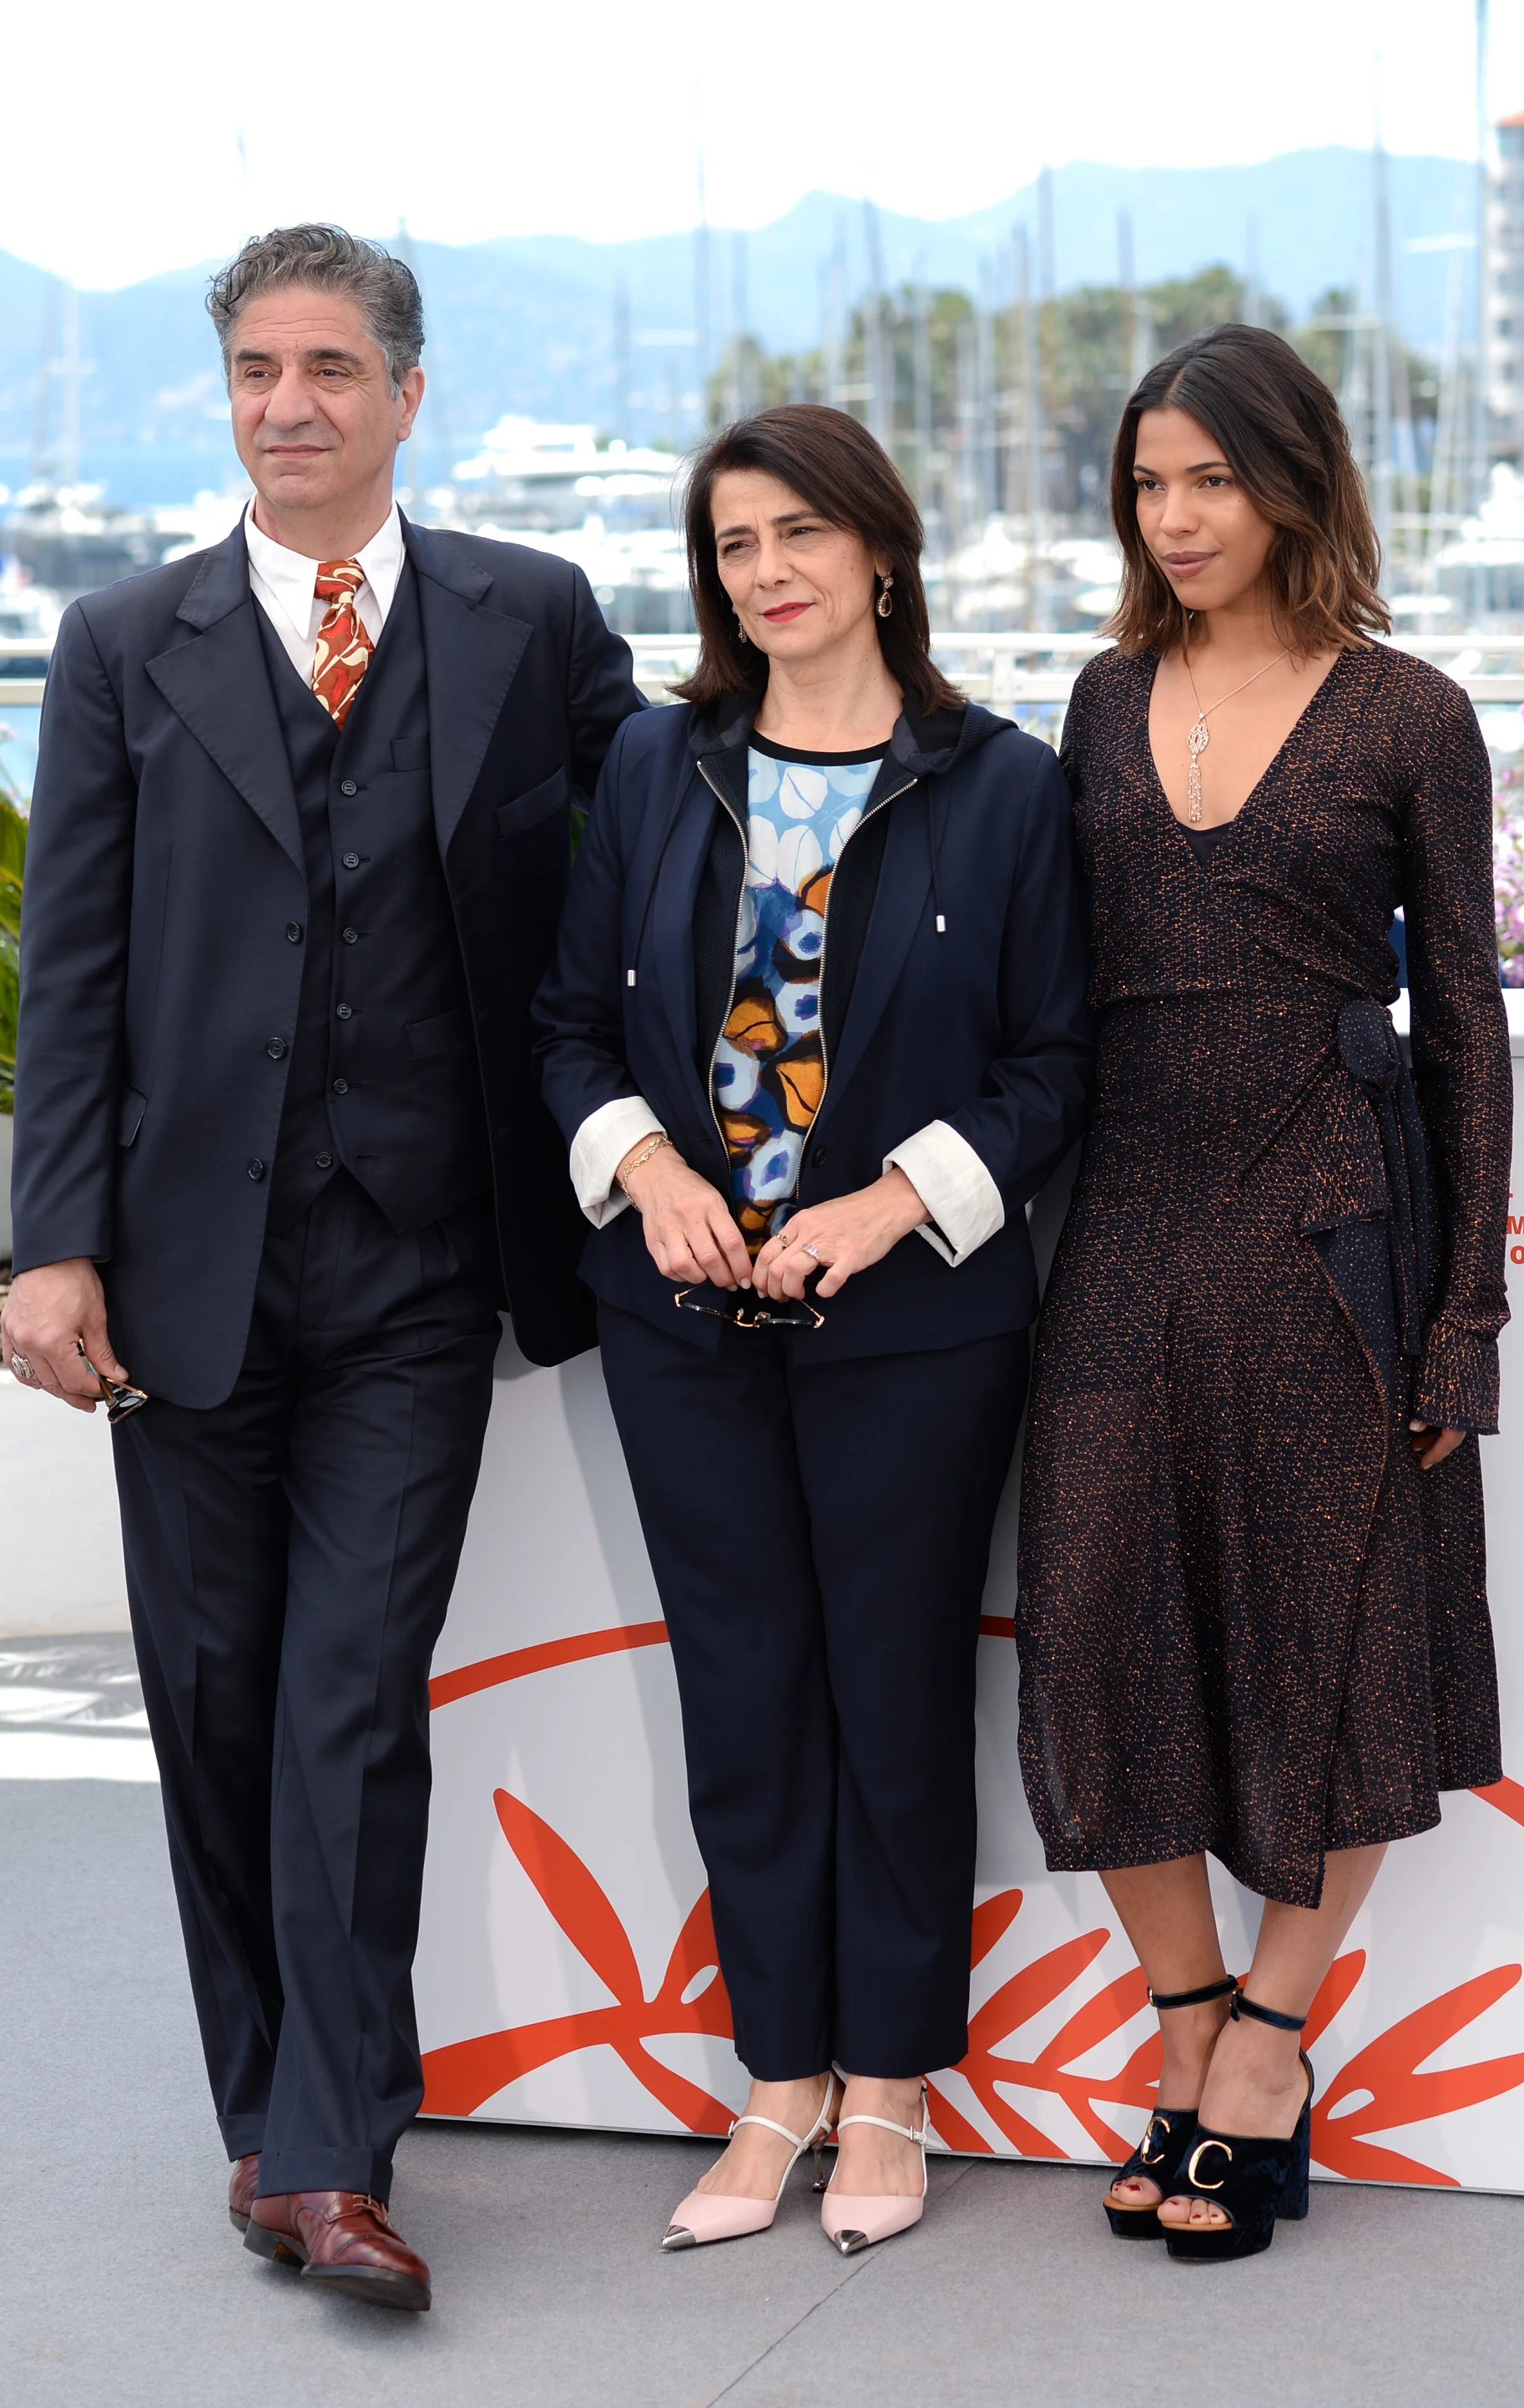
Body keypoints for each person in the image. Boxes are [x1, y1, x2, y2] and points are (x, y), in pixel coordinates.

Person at [3, 225, 642, 2310]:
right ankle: (265, 2120)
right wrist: (56, 1244)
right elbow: (70, 965)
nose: (291, 402)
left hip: (423, 1260)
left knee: (354, 1705)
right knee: (213, 1701)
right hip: (182, 1266)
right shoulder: (122, 639)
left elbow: (650, 849)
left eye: (332, 367)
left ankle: (334, 2150)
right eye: (260, 368)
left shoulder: (531, 615)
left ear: (407, 392)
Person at [534, 403, 1093, 2256]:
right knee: (747, 1700)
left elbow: (1056, 1063)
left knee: (898, 1695)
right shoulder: (651, 763)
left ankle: (891, 2090)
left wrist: (889, 1200)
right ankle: (775, 2078)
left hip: (914, 1323)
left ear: (879, 546)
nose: (763, 573)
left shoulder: (1002, 784)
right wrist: (645, 1171)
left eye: (796, 534)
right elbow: (566, 1025)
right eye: (730, 546)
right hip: (678, 1311)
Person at [1015, 324, 1511, 2263]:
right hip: (1124, 1224)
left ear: (1296, 482)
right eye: (1149, 481)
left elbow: (1466, 1024)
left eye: (1211, 476)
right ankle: (1184, 2021)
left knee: (1346, 1636)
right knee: (1099, 1636)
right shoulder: (1095, 691)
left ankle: (1268, 2048)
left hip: (1335, 1234)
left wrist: (1466, 1309)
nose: (1177, 514)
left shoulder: (1409, 711)